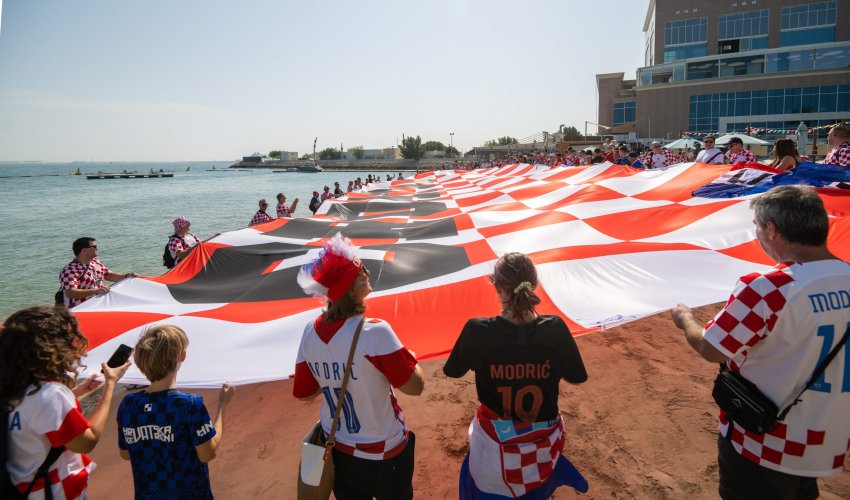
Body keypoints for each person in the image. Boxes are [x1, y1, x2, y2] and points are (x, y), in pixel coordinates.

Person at [671, 185, 850, 499]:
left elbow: (711, 348)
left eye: (756, 226)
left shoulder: (768, 289)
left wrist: (684, 318)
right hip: (828, 439)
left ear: (772, 229)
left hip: (765, 441)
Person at [444, 252, 589, 499]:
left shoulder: (477, 331)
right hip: (541, 451)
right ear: (534, 285)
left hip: (492, 451)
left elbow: (453, 370)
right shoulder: (555, 329)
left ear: (498, 288)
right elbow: (577, 376)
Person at [293, 233, 424, 499]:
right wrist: (410, 357)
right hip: (386, 453)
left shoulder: (310, 331)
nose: (367, 272)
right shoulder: (375, 332)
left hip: (338, 450)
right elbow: (415, 386)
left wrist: (333, 374)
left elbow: (304, 393)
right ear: (352, 288)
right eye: (361, 270)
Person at [1, 306, 131, 499]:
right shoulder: (51, 394)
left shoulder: (13, 387)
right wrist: (110, 385)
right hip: (55, 492)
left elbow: (34, 416)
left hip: (20, 488)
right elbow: (87, 441)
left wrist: (75, 392)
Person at [117, 325, 235, 499]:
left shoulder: (128, 405)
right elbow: (207, 453)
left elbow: (125, 453)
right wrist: (222, 405)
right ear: (182, 357)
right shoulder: (189, 404)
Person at [59, 237, 138, 308]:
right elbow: (71, 292)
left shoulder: (95, 262)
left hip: (98, 306)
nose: (97, 248)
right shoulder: (69, 270)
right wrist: (96, 291)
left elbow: (109, 275)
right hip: (81, 310)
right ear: (84, 250)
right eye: (94, 247)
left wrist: (127, 276)